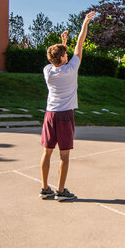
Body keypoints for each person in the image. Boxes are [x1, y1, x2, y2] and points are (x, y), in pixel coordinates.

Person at [39, 11, 96, 201]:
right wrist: (84, 23)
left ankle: (45, 188)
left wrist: (63, 42)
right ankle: (61, 191)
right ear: (64, 58)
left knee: (47, 152)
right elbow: (80, 43)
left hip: (50, 115)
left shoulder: (48, 71)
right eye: (65, 53)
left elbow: (58, 57)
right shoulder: (71, 69)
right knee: (64, 155)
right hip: (65, 116)